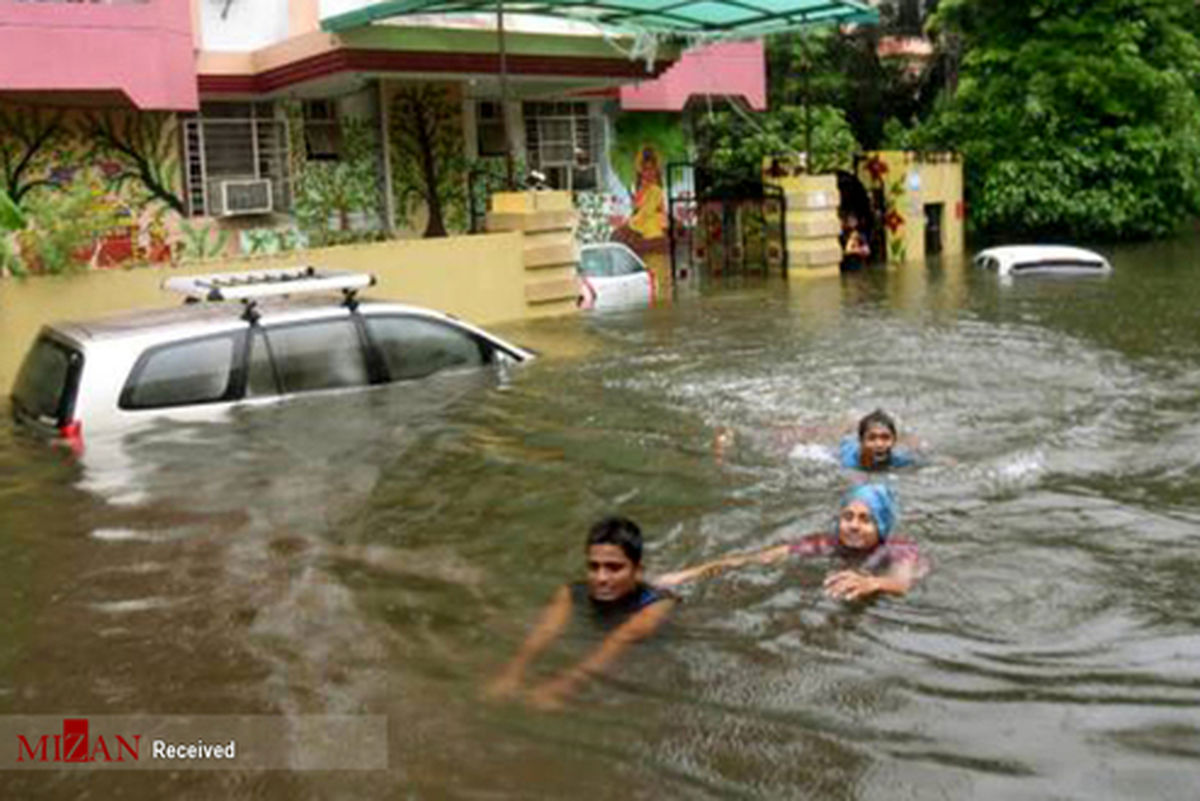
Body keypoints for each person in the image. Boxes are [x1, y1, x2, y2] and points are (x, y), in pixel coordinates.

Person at [487, 516, 676, 710]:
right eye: (594, 567)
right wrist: (512, 673)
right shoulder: (572, 592)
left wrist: (562, 686)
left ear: (637, 570)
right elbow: (545, 631)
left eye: (614, 567)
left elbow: (621, 639)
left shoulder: (658, 603)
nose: (601, 578)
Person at [656, 484, 925, 602]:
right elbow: (757, 559)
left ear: (883, 525)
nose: (853, 525)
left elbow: (902, 584)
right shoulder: (826, 544)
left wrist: (873, 583)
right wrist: (688, 574)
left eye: (866, 520)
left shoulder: (900, 549)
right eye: (848, 516)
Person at [838, 409, 918, 472]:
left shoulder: (902, 460)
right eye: (872, 438)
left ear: (894, 440)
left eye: (885, 437)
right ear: (861, 441)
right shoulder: (848, 462)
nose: (879, 444)